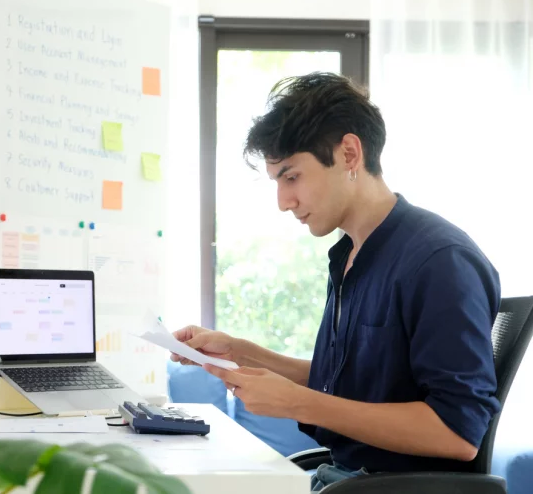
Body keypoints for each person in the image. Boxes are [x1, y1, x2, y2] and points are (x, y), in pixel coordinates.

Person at [170, 72, 501, 491]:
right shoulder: (350, 255)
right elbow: (349, 384)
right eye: (277, 182)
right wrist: (235, 353)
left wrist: (302, 404)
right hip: (342, 479)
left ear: (348, 153)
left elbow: (457, 432)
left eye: (291, 177)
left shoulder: (438, 262)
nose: (283, 202)